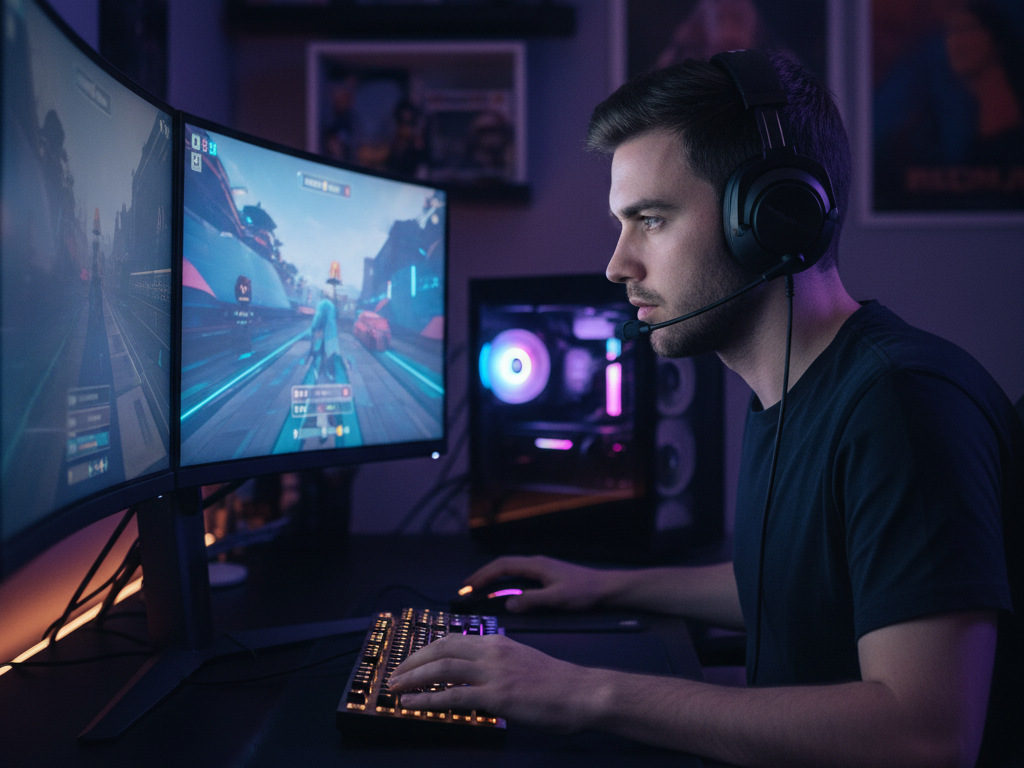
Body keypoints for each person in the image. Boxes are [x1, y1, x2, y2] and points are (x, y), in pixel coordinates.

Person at [389, 50, 1022, 767]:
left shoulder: (902, 407)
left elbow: (927, 736)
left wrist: (582, 692)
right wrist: (605, 585)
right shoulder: (793, 388)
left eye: (651, 220)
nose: (617, 264)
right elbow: (801, 579)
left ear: (774, 217)